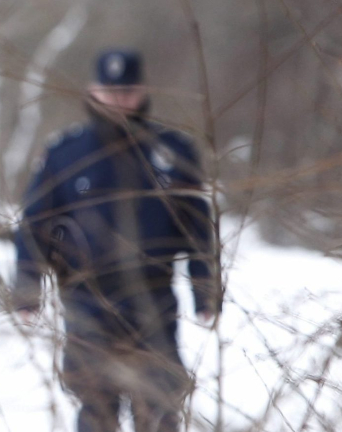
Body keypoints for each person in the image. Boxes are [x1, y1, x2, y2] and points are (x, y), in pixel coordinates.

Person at [13, 49, 221, 432]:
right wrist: (28, 289)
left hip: (153, 299)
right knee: (96, 408)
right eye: (110, 93)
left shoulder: (172, 152)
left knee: (158, 407)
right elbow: (34, 224)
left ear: (142, 91)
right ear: (93, 92)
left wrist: (204, 290)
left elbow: (197, 227)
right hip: (87, 300)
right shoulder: (65, 153)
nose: (119, 101)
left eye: (127, 92)